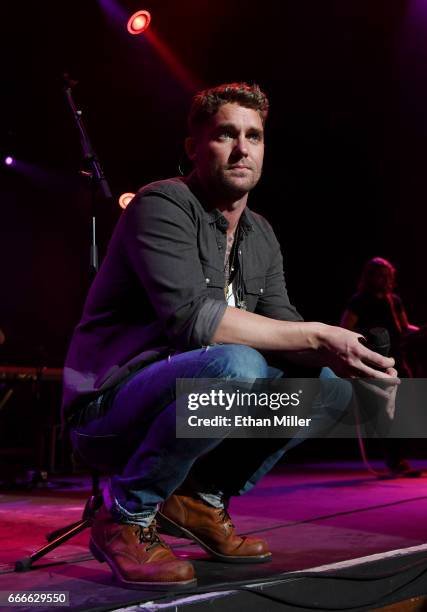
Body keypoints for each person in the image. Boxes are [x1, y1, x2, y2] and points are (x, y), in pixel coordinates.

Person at [63, 83, 396, 590]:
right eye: (225, 134)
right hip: (108, 412)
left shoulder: (261, 233)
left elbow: (287, 333)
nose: (243, 148)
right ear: (194, 147)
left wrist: (363, 368)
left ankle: (201, 500)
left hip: (194, 397)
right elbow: (192, 321)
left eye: (254, 136)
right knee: (238, 364)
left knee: (328, 385)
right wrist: (321, 334)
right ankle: (125, 516)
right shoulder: (161, 204)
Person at [340, 256, 420, 477]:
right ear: (370, 277)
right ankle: (395, 460)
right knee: (387, 412)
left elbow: (403, 327)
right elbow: (346, 327)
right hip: (377, 362)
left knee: (405, 410)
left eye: (388, 276)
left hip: (399, 361)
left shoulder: (394, 300)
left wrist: (420, 331)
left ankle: (400, 458)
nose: (385, 280)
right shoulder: (360, 300)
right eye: (381, 275)